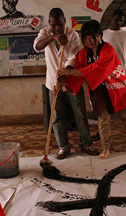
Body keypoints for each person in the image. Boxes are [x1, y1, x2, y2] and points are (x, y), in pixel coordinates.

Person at [58, 20, 126, 159]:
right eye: (85, 38)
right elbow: (77, 67)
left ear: (99, 35)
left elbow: (95, 69)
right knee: (103, 120)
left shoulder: (108, 49)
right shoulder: (84, 53)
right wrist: (64, 81)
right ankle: (106, 148)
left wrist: (70, 73)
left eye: (92, 37)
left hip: (118, 88)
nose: (89, 41)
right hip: (100, 91)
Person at [33, 8, 99, 159]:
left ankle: (86, 144)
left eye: (60, 25)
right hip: (53, 82)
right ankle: (64, 147)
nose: (58, 28)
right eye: (54, 25)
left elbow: (73, 58)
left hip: (71, 79)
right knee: (56, 116)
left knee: (80, 114)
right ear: (49, 23)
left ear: (65, 21)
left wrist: (65, 73)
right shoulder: (45, 33)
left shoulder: (73, 34)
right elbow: (37, 46)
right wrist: (54, 37)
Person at [91, 9, 126, 142]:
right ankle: (100, 132)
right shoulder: (103, 35)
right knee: (104, 106)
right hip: (106, 75)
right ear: (111, 19)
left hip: (122, 74)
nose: (118, 22)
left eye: (121, 20)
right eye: (116, 19)